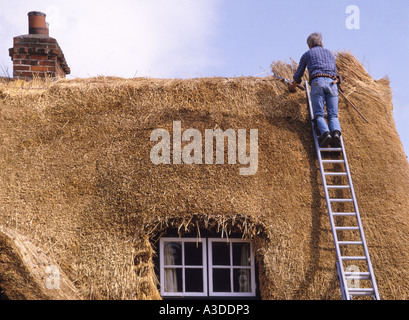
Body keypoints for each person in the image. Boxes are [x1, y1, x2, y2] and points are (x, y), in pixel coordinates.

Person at [288, 32, 341, 148]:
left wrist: (293, 86)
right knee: (333, 115)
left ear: (310, 44)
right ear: (321, 42)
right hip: (333, 84)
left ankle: (325, 133)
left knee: (319, 114)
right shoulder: (330, 54)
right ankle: (336, 133)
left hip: (318, 82)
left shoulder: (308, 54)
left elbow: (299, 74)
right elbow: (335, 72)